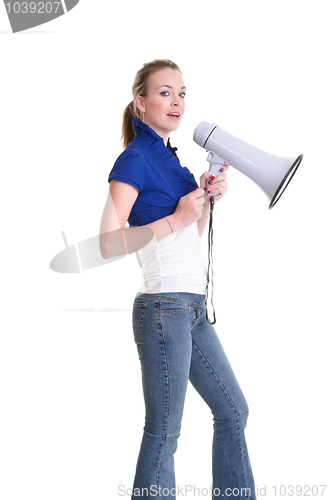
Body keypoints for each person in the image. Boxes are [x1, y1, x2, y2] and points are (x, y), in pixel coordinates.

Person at [99, 59, 257, 500]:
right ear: (141, 102)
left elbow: (190, 235)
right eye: (165, 92)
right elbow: (108, 244)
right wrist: (177, 217)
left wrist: (205, 198)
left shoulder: (174, 163)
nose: (177, 101)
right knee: (165, 434)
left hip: (190, 307)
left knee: (232, 411)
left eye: (182, 93)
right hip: (162, 308)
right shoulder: (134, 159)